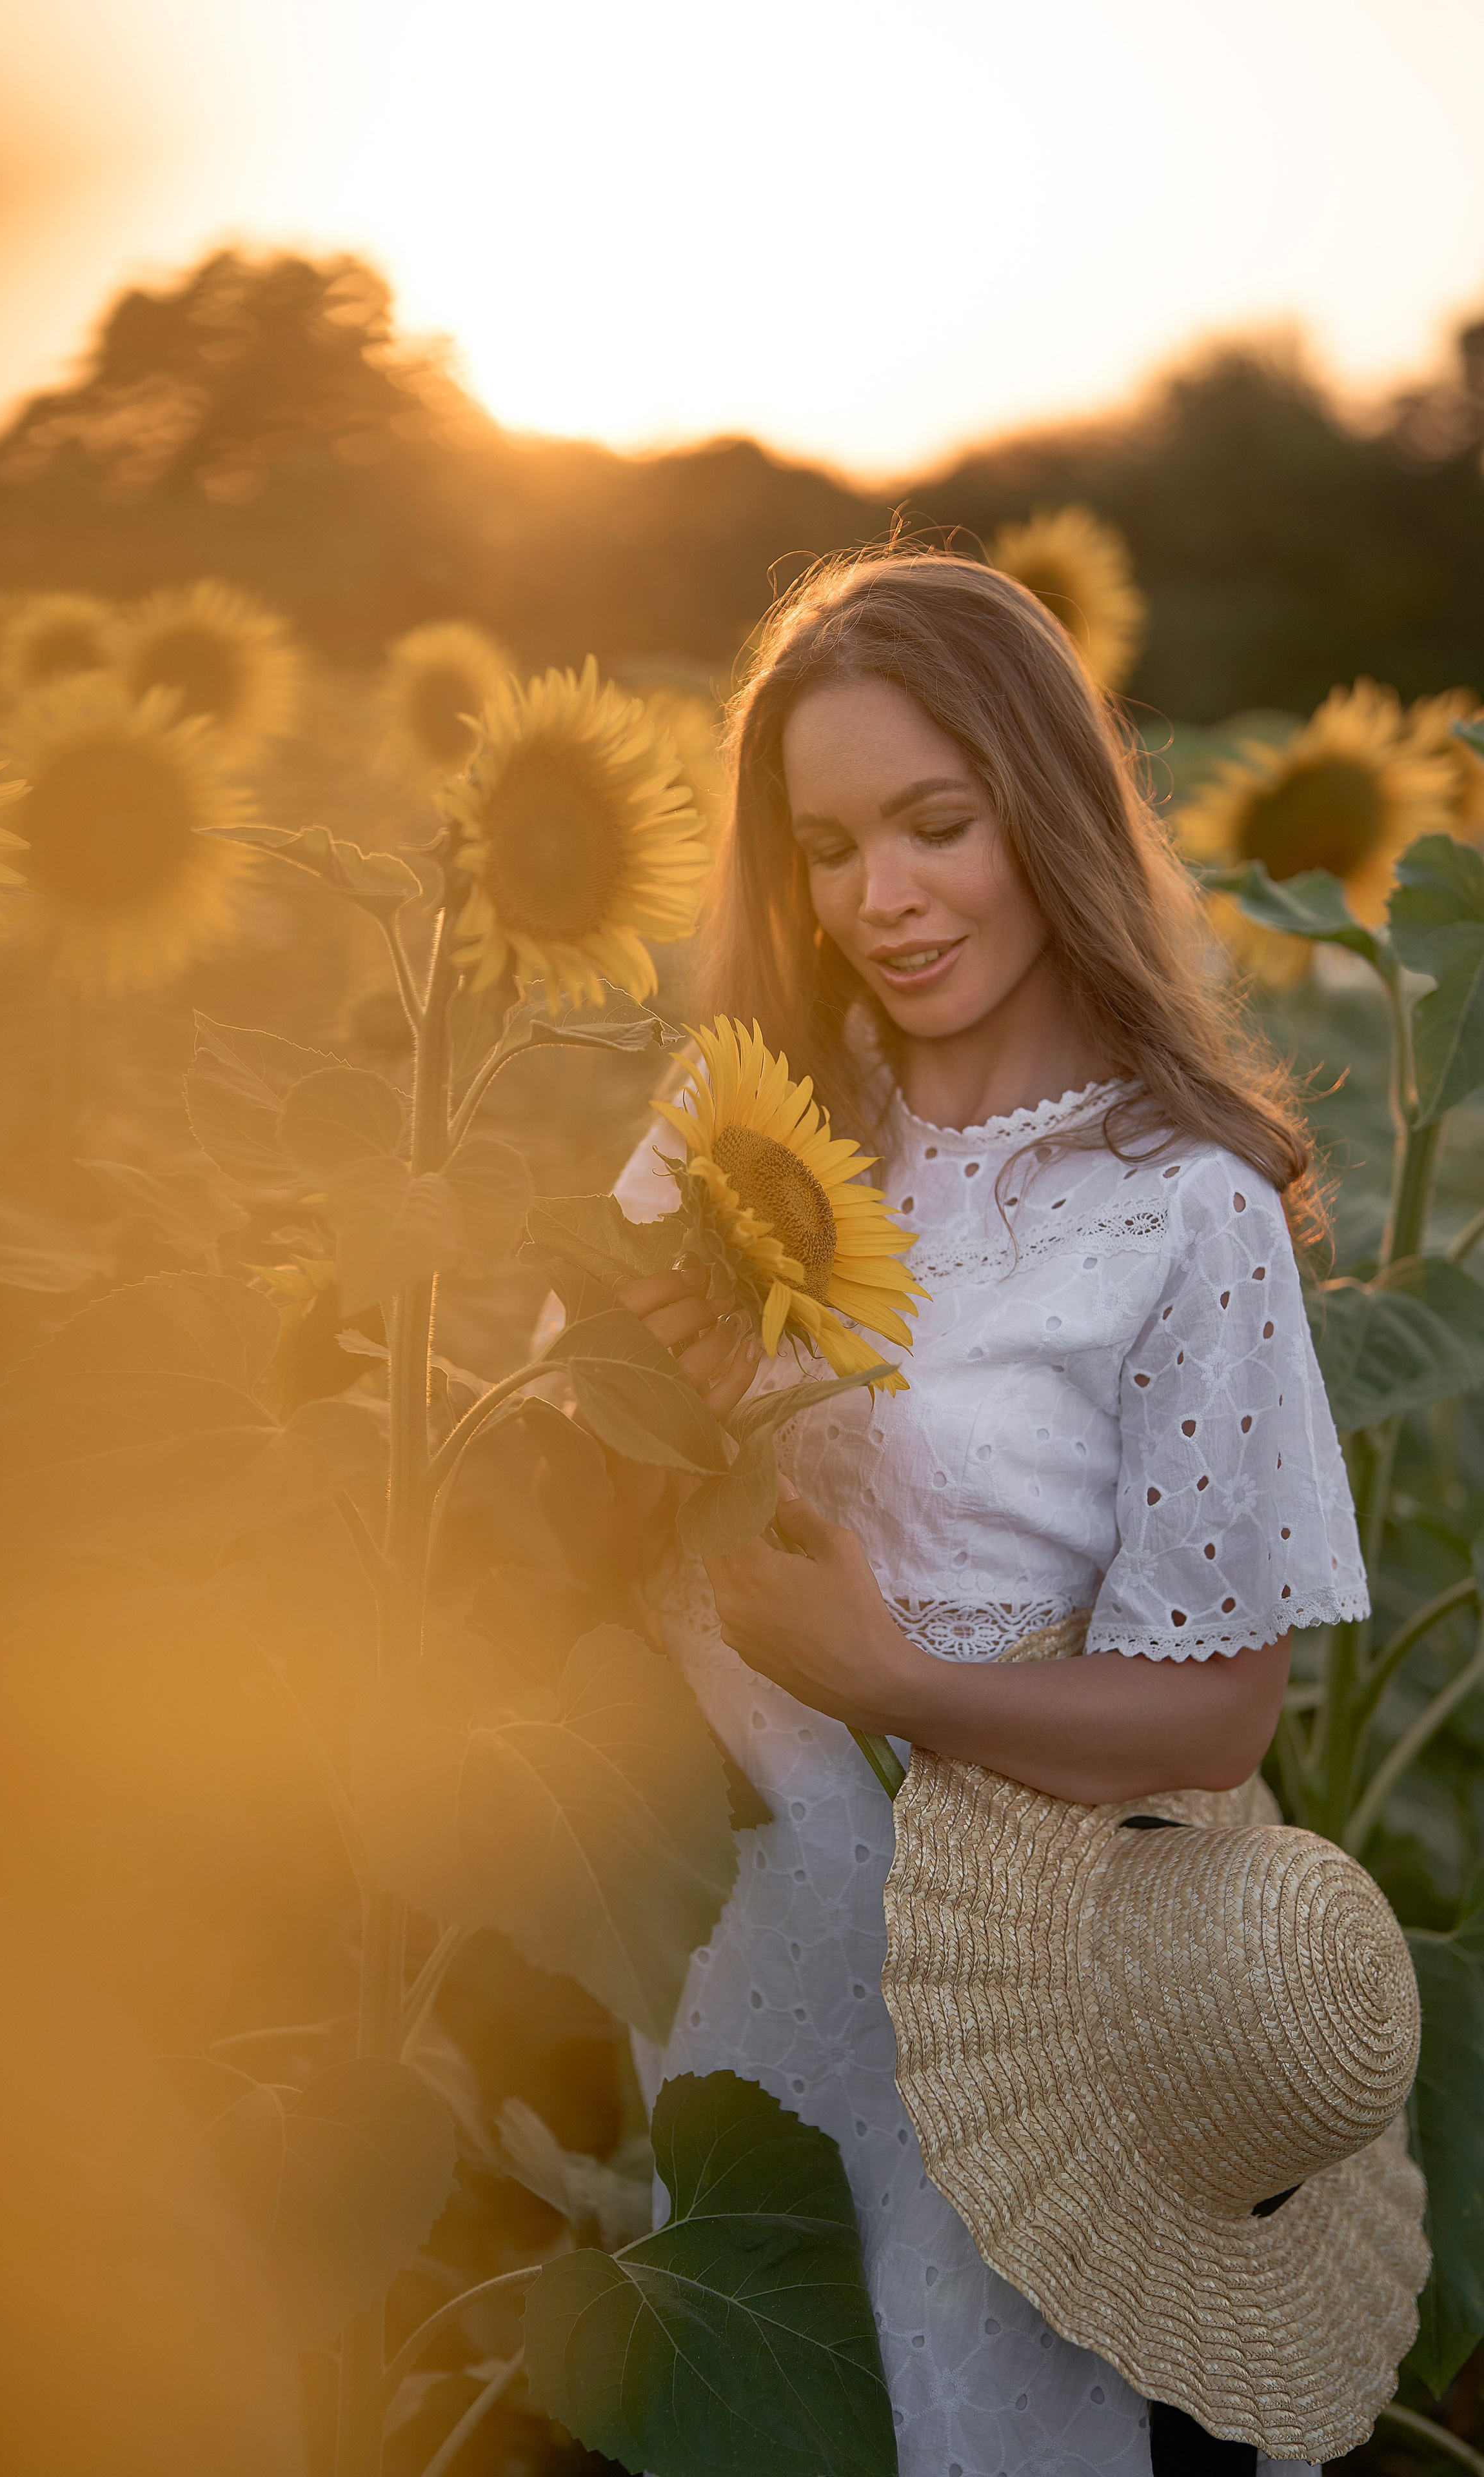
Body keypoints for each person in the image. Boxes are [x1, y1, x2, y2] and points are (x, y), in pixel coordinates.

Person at [577, 553, 1367, 2477]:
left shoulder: (1186, 1207)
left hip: (1005, 2005)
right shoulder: (740, 1115)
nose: (885, 901)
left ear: (1050, 807)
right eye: (831, 846)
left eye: (938, 825)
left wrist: (892, 1675)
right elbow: (573, 1454)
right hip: (705, 1937)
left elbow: (1217, 1713)